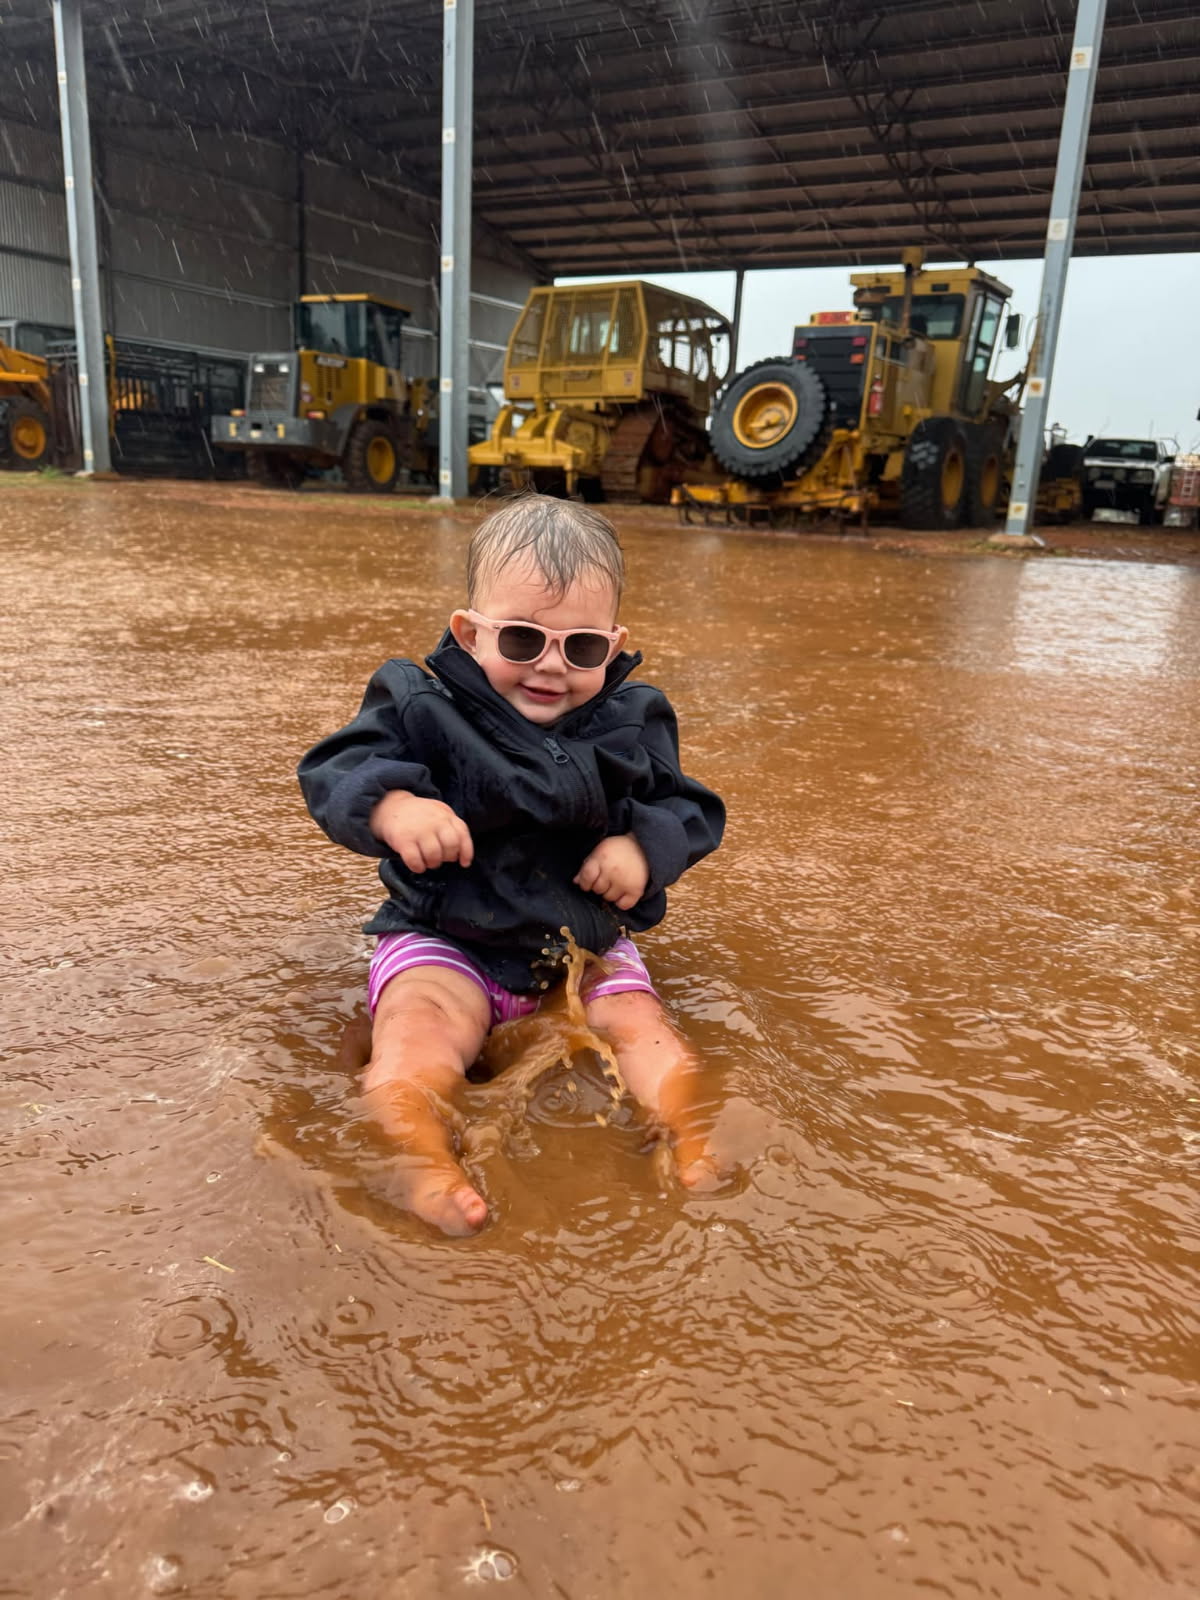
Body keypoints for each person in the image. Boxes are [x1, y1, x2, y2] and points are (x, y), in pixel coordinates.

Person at [298, 495, 726, 1236]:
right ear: (470, 633)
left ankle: (688, 1135)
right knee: (413, 1036)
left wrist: (642, 850)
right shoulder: (418, 702)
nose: (551, 667)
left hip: (583, 947)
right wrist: (395, 807)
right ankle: (423, 1159)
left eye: (582, 648)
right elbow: (336, 769)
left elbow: (690, 809)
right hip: (446, 938)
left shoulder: (635, 717)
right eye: (523, 640)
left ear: (614, 642)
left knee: (642, 1025)